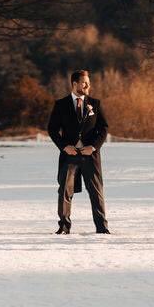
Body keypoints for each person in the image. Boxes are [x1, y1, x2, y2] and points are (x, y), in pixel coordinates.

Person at [47, 69, 110, 235]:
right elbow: (52, 129)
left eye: (88, 82)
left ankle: (102, 227)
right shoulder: (61, 104)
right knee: (65, 191)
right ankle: (64, 226)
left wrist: (94, 147)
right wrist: (64, 146)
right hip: (70, 155)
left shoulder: (95, 104)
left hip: (90, 155)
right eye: (84, 82)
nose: (88, 85)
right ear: (74, 84)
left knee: (96, 192)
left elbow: (103, 128)